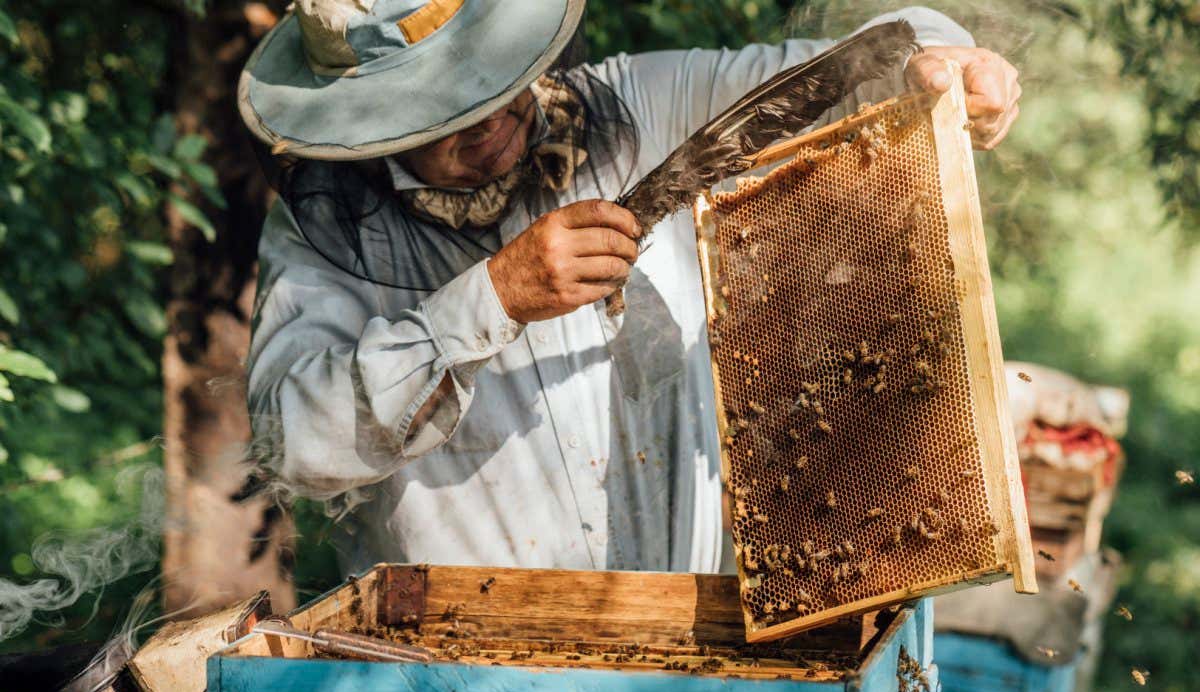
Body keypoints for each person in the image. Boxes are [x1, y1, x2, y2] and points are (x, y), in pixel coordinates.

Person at [238, 1, 1021, 575]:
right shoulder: (317, 239)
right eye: (435, 114)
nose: (479, 122)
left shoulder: (643, 107)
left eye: (483, 83)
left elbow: (835, 75)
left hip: (684, 654)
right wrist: (492, 300)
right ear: (370, 123)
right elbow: (291, 443)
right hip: (462, 690)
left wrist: (939, 66)